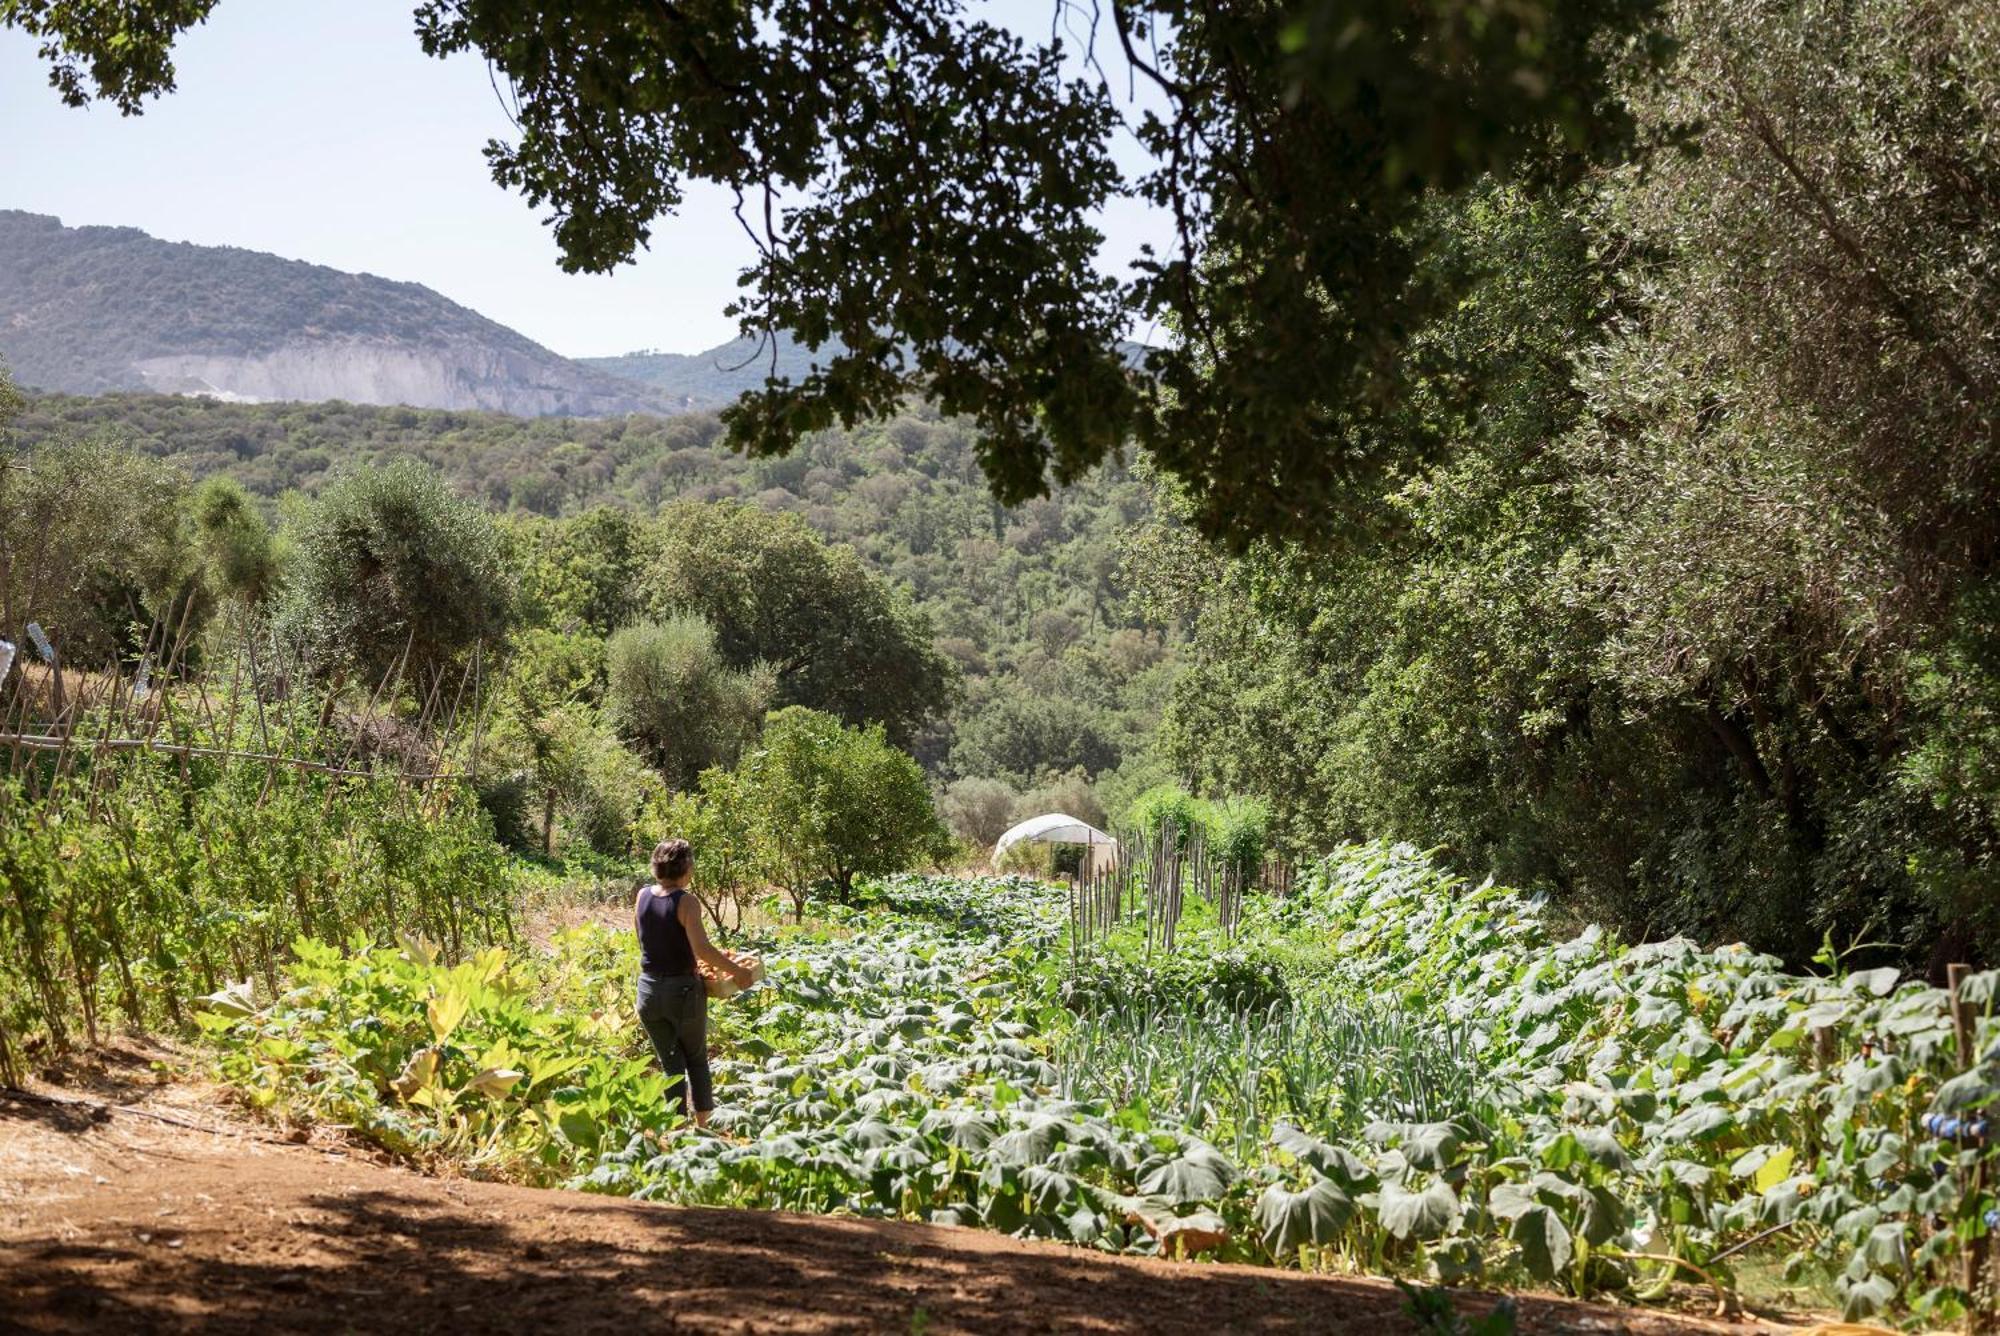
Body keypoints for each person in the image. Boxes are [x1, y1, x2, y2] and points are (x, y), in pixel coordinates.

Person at [635, 837, 754, 1128]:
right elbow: (702, 949)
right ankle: (704, 1129)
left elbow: (642, 938)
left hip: (648, 990)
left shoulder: (642, 896)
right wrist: (737, 971)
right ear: (686, 869)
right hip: (681, 991)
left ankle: (676, 1129)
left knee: (671, 1065)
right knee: (697, 1060)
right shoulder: (686, 901)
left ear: (656, 867)